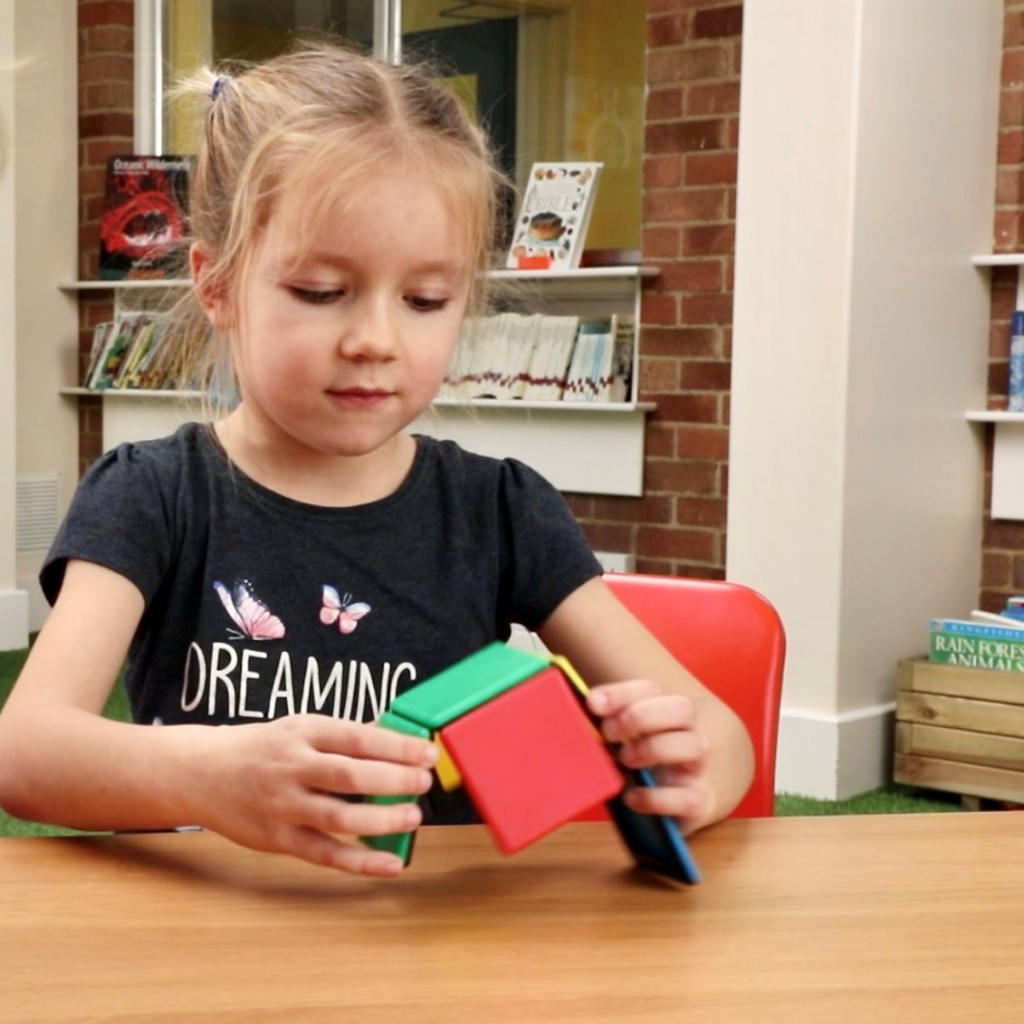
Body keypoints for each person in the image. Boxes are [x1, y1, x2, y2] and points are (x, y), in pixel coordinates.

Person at [0, 44, 753, 877]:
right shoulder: (151, 495)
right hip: (213, 935)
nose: (375, 340)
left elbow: (720, 732)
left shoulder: (500, 511)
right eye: (320, 291)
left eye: (426, 300)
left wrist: (693, 770)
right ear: (216, 285)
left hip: (434, 940)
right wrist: (206, 777)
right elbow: (25, 750)